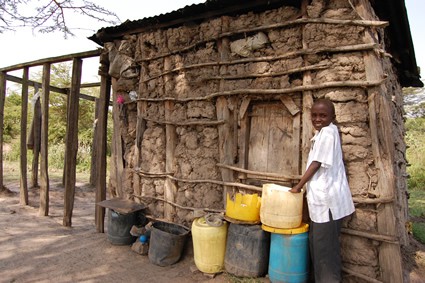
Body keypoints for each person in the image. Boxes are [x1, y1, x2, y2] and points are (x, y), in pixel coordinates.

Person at [289, 98, 355, 283]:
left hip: (328, 204)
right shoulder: (323, 134)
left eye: (323, 115)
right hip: (323, 205)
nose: (318, 119)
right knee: (319, 248)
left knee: (325, 252)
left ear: (332, 117)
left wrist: (298, 186)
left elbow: (317, 163)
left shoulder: (327, 133)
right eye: (315, 115)